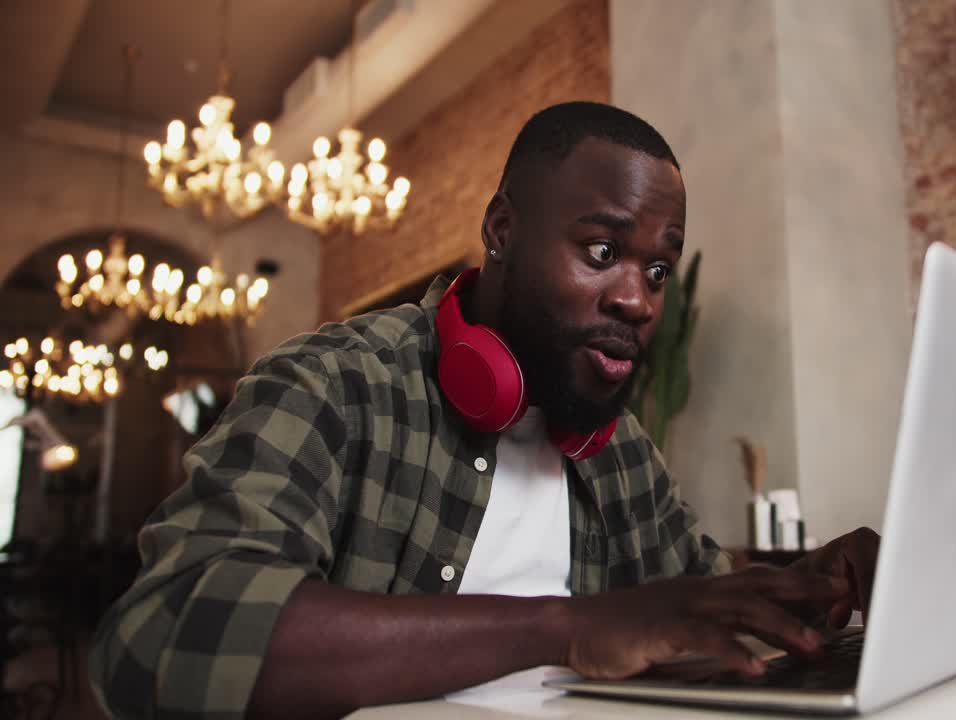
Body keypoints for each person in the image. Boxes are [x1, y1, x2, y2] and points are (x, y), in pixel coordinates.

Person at [90, 101, 881, 720]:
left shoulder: (621, 452)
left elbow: (698, 601)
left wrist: (813, 586)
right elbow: (162, 636)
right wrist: (563, 628)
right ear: (502, 230)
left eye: (659, 269)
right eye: (601, 252)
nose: (638, 299)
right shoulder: (335, 385)